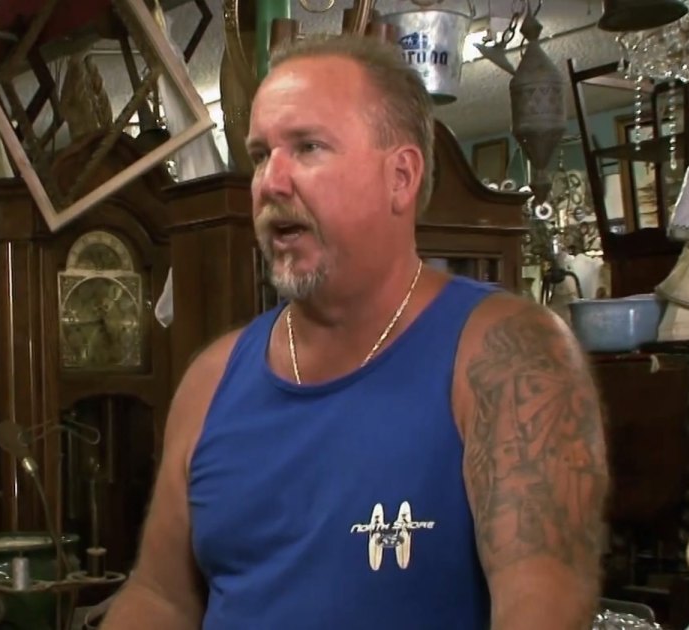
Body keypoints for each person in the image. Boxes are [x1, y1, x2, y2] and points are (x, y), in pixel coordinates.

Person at [102, 34, 609, 630]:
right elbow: (160, 598)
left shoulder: (508, 355)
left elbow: (543, 608)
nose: (270, 182)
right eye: (261, 155)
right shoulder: (211, 381)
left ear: (400, 177)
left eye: (308, 147)